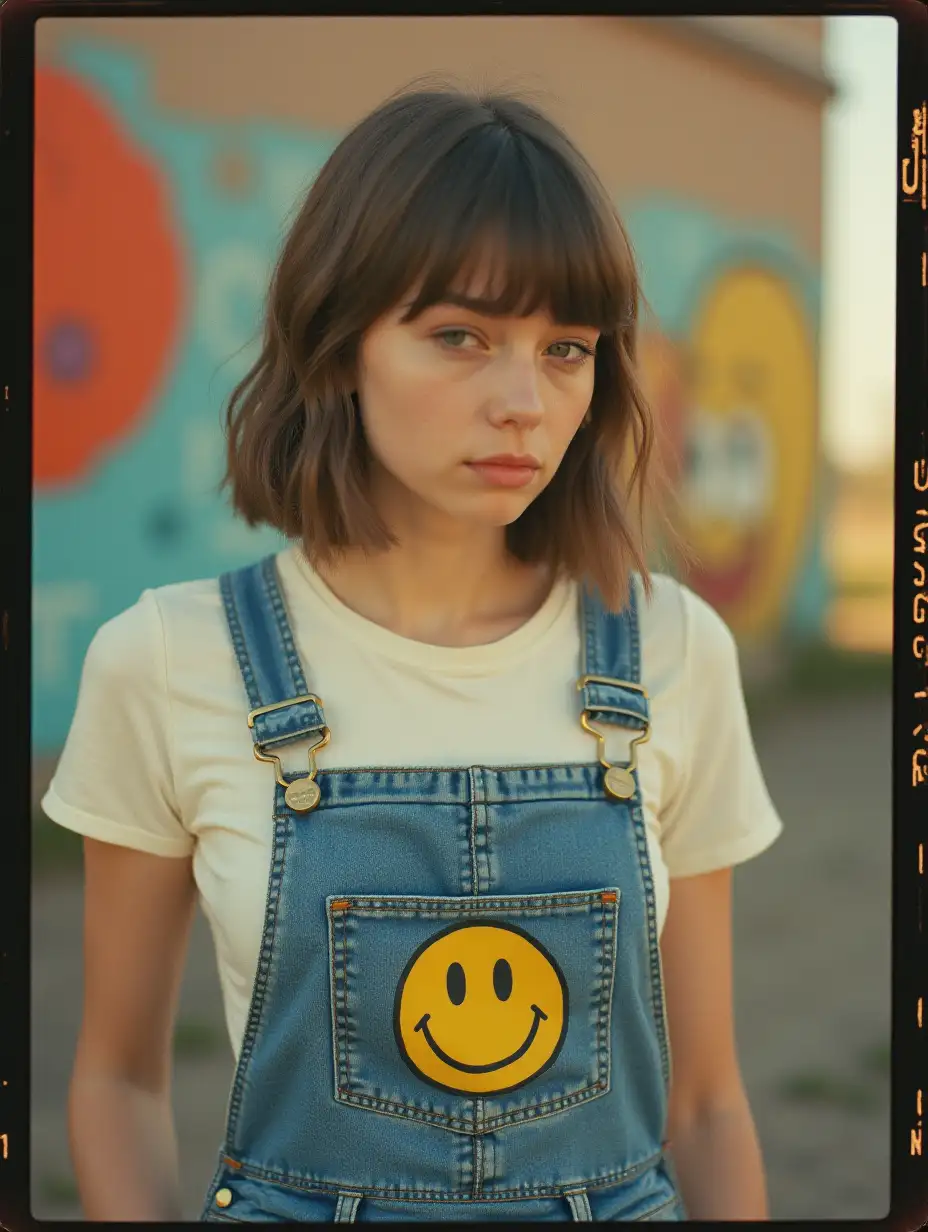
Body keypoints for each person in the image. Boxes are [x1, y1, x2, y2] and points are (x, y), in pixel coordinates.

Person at [42, 83, 783, 1223]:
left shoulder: (673, 649)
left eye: (567, 349)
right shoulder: (169, 660)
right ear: (340, 345)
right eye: (460, 336)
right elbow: (116, 1079)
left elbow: (709, 1103)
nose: (524, 402)